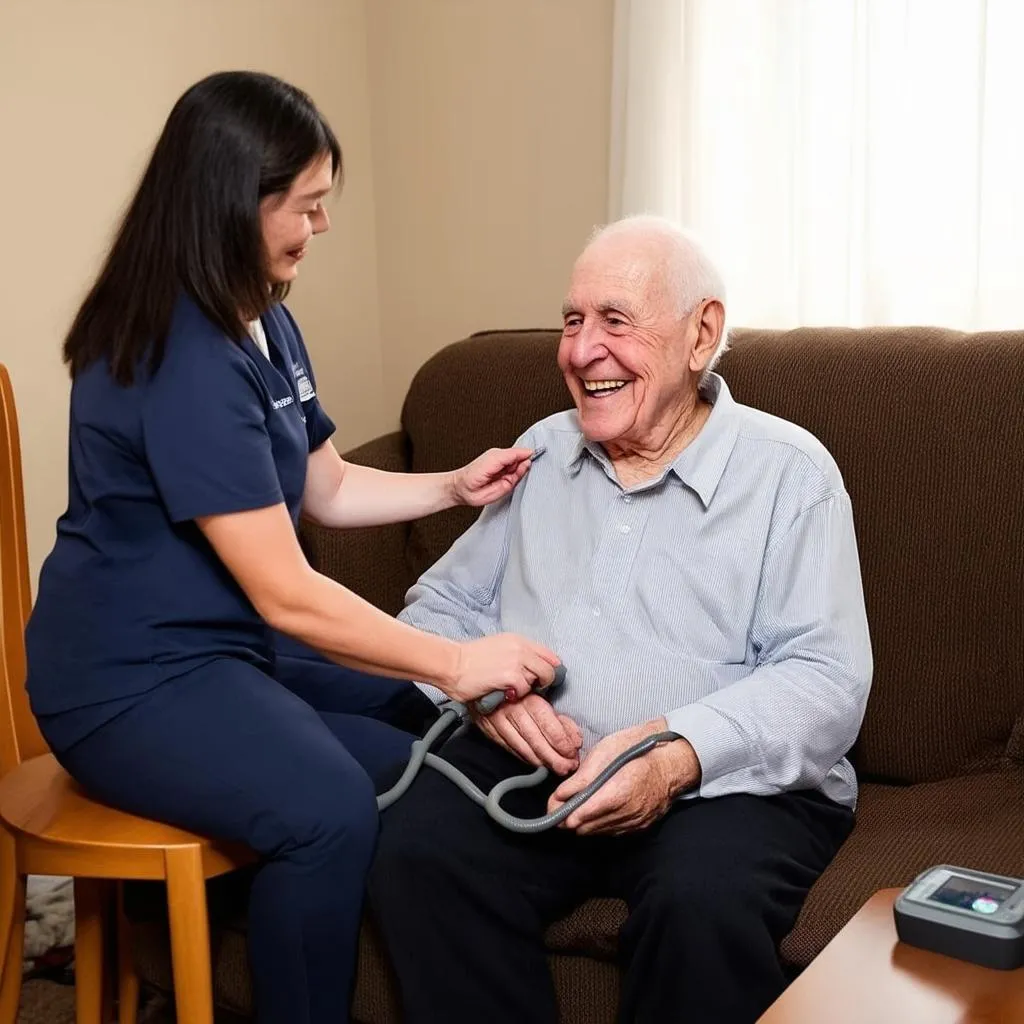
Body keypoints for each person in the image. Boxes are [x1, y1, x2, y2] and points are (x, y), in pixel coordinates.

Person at [23, 70, 558, 1024]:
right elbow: (287, 593)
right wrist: (460, 657)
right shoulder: (176, 355)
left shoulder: (264, 312)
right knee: (327, 810)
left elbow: (326, 485)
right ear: (236, 199)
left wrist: (449, 485)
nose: (319, 227)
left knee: (412, 717)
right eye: (305, 206)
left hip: (222, 654)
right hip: (125, 681)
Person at [368, 215, 874, 1024]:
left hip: (724, 786)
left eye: (615, 320)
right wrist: (493, 697)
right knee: (417, 854)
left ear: (701, 332)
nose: (580, 349)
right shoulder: (543, 453)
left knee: (701, 903)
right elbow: (439, 608)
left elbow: (825, 679)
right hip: (536, 765)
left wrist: (676, 753)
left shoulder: (791, 474)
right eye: (573, 320)